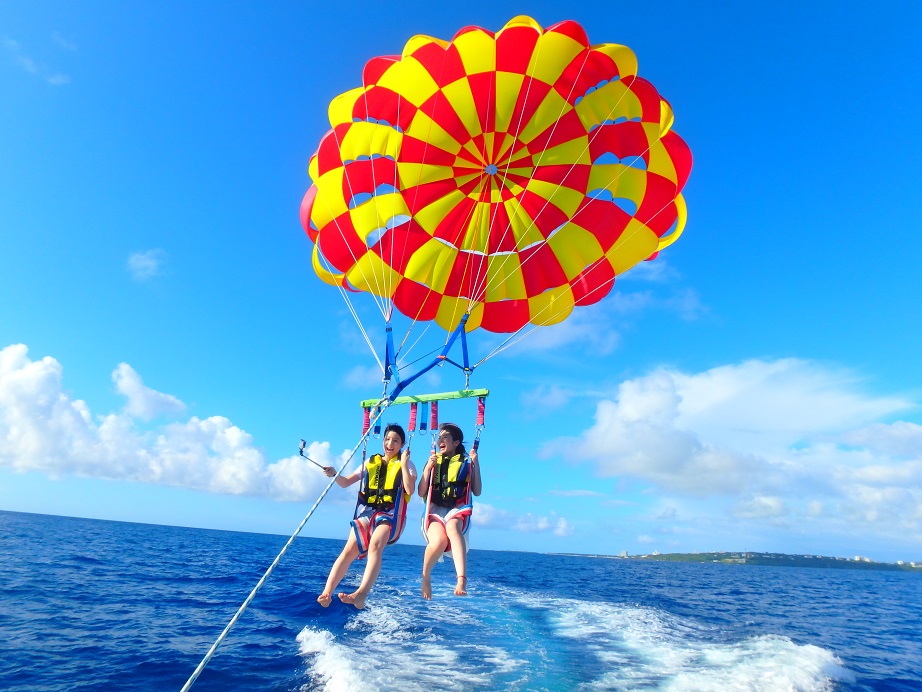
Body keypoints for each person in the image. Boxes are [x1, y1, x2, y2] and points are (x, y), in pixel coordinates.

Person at [317, 423, 417, 610]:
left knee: (375, 545)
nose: (390, 444)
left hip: (391, 514)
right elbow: (345, 482)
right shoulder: (371, 462)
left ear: (402, 444)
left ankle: (361, 595)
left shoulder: (407, 464)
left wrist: (403, 464)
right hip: (368, 511)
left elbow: (410, 489)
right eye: (387, 439)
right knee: (349, 549)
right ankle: (327, 593)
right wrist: (334, 474)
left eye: (395, 441)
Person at [417, 422, 482, 599]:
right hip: (435, 509)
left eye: (445, 437)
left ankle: (461, 579)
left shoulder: (466, 463)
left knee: (452, 528)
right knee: (438, 541)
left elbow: (477, 491)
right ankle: (425, 577)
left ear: (456, 442)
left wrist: (475, 463)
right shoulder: (433, 461)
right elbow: (421, 492)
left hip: (456, 508)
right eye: (439, 438)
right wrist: (427, 469)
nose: (440, 440)